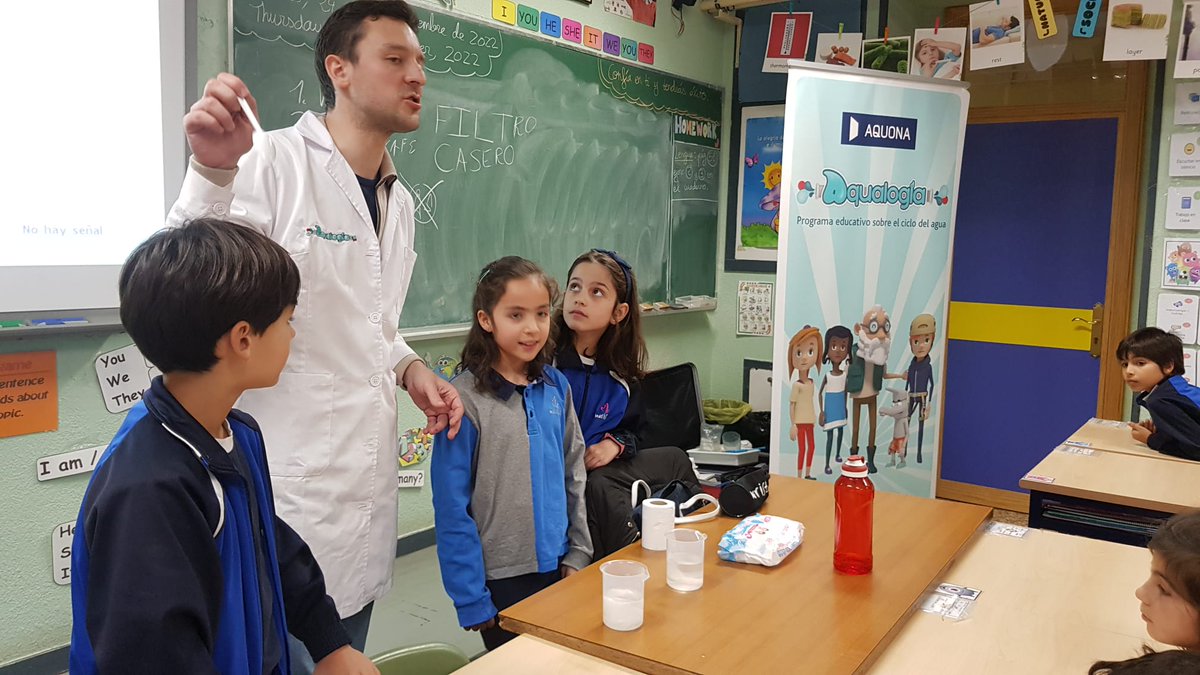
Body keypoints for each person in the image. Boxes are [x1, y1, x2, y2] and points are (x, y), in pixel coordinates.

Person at [168, 2, 463, 666]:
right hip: (286, 489)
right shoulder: (269, 162)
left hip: (362, 498)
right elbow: (181, 284)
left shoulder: (398, 200)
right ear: (340, 70)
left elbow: (371, 323)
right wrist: (211, 174)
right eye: (395, 59)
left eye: (420, 62)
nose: (417, 75)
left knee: (344, 649)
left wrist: (409, 368)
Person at [69, 219, 377, 674]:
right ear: (243, 339)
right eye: (288, 321)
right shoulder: (149, 488)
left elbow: (269, 545)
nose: (292, 335)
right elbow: (153, 654)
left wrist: (329, 642)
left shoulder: (237, 433)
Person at [431, 257, 591, 651]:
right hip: (500, 577)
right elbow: (451, 506)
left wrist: (579, 550)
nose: (532, 327)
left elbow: (574, 471)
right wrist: (470, 595)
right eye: (516, 315)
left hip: (559, 563)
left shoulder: (556, 386)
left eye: (541, 313)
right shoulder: (464, 401)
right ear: (486, 320)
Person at [553, 249, 700, 558]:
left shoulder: (621, 376)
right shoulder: (546, 364)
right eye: (574, 287)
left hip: (598, 473)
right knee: (599, 484)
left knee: (674, 459)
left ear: (618, 313)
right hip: (563, 481)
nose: (580, 299)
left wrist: (614, 445)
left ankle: (696, 539)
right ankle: (629, 561)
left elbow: (636, 431)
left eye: (596, 292)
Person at [1118, 328, 1200, 460]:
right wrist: (1164, 433)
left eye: (1140, 363)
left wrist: (1151, 439)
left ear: (1168, 366)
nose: (1129, 371)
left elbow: (1196, 449)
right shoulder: (1175, 390)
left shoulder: (1161, 400)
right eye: (1124, 364)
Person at [788, 326, 823, 480]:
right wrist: (793, 424)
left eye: (810, 351)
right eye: (798, 353)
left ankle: (807, 474)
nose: (804, 358)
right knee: (802, 449)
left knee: (812, 447)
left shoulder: (811, 383)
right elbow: (792, 405)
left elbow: (810, 401)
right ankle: (799, 475)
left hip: (810, 420)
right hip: (800, 422)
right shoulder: (797, 385)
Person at [818, 325, 852, 475]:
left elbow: (845, 392)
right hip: (830, 407)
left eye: (843, 346)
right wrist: (822, 411)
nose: (838, 350)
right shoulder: (828, 375)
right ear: (828, 350)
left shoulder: (844, 375)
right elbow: (819, 393)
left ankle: (837, 454)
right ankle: (827, 463)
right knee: (830, 436)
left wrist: (845, 406)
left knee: (841, 430)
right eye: (834, 346)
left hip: (840, 406)